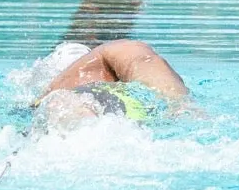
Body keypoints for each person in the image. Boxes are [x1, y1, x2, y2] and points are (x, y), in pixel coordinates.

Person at [32, 40, 190, 127]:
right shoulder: (102, 60)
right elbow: (143, 60)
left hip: (73, 109)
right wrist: (180, 103)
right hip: (128, 115)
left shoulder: (44, 98)